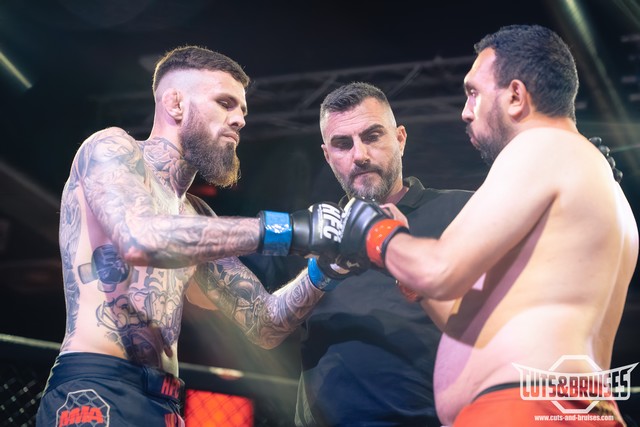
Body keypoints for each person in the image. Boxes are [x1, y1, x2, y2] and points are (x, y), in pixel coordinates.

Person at [339, 25, 639, 426]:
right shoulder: (590, 178)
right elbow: (465, 313)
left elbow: (440, 269)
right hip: (571, 405)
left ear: (515, 96)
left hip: (525, 406)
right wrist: (406, 268)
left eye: (473, 93)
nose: (465, 111)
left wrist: (371, 231)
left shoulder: (539, 144)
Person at [35, 45, 347, 426]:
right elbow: (140, 238)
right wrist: (290, 229)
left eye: (243, 110)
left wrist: (325, 270)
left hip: (165, 404)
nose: (239, 120)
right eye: (225, 103)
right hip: (96, 389)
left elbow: (263, 322)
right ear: (176, 103)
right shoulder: (111, 149)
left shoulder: (195, 215)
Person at [291, 82, 474, 426]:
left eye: (372, 136)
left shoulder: (463, 210)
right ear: (328, 156)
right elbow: (258, 323)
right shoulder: (311, 236)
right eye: (343, 144)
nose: (359, 154)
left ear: (400, 139)